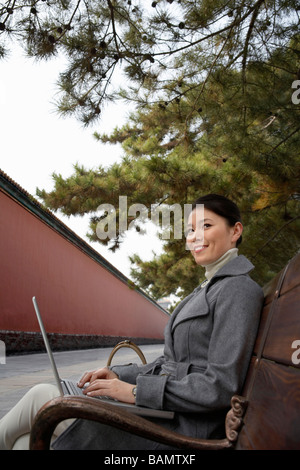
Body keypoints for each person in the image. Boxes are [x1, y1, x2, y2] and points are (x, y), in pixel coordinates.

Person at [0, 194, 264, 450]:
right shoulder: (210, 287)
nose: (195, 236)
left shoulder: (237, 289)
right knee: (26, 442)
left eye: (206, 226)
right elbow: (170, 365)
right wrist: (120, 374)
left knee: (43, 397)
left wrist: (135, 392)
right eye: (191, 229)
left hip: (183, 427)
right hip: (166, 413)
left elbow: (219, 386)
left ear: (235, 231)